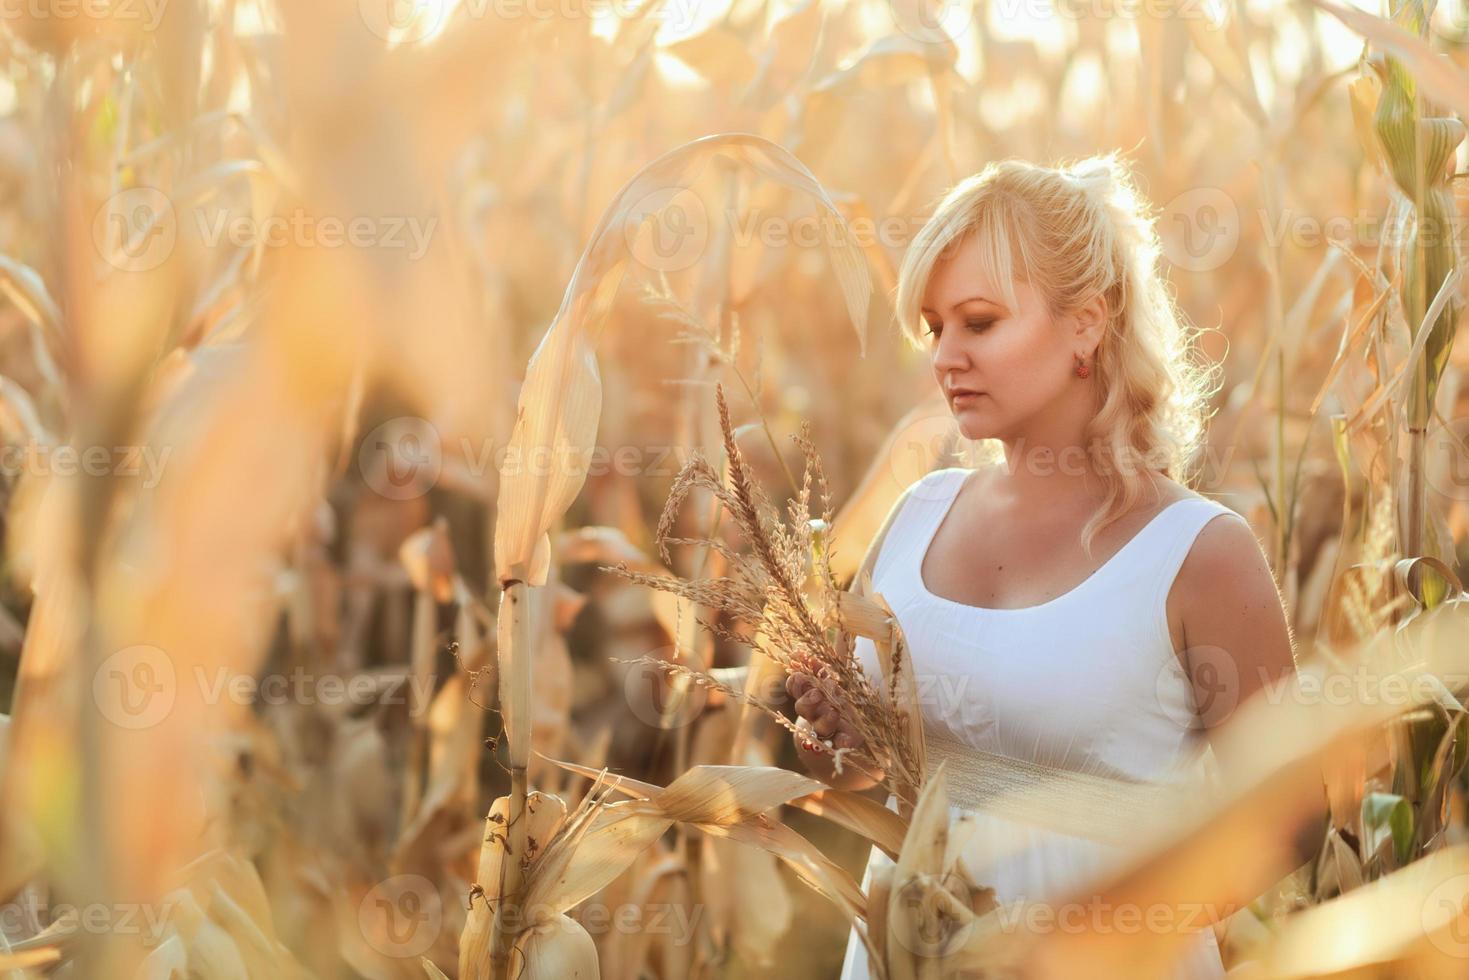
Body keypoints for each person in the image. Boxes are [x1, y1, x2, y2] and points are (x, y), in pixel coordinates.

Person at [786, 152, 1298, 980]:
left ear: (1085, 325)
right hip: (902, 952)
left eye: (979, 322)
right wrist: (835, 742)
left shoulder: (1198, 553)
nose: (945, 355)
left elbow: (1289, 820)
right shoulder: (914, 518)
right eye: (934, 327)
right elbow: (878, 774)